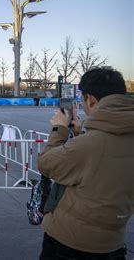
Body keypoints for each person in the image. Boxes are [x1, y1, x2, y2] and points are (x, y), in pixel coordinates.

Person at [38, 67, 134, 259]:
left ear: (90, 99)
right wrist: (80, 135)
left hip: (70, 243)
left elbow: (46, 164)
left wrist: (59, 129)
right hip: (112, 243)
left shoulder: (88, 145)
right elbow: (101, 165)